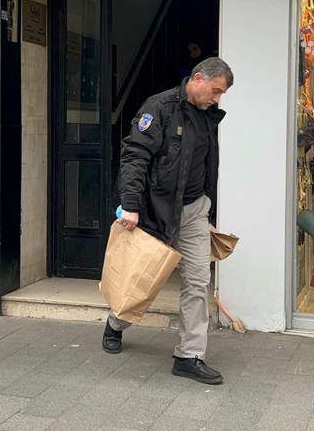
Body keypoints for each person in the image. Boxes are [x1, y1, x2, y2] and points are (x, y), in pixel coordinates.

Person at [103, 57, 233, 385]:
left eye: (222, 94)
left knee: (198, 281)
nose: (217, 98)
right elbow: (134, 157)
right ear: (198, 79)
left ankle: (189, 356)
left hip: (193, 212)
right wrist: (130, 205)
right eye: (216, 91)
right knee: (142, 280)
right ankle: (116, 322)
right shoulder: (158, 108)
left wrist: (207, 205)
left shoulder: (207, 116)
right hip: (156, 210)